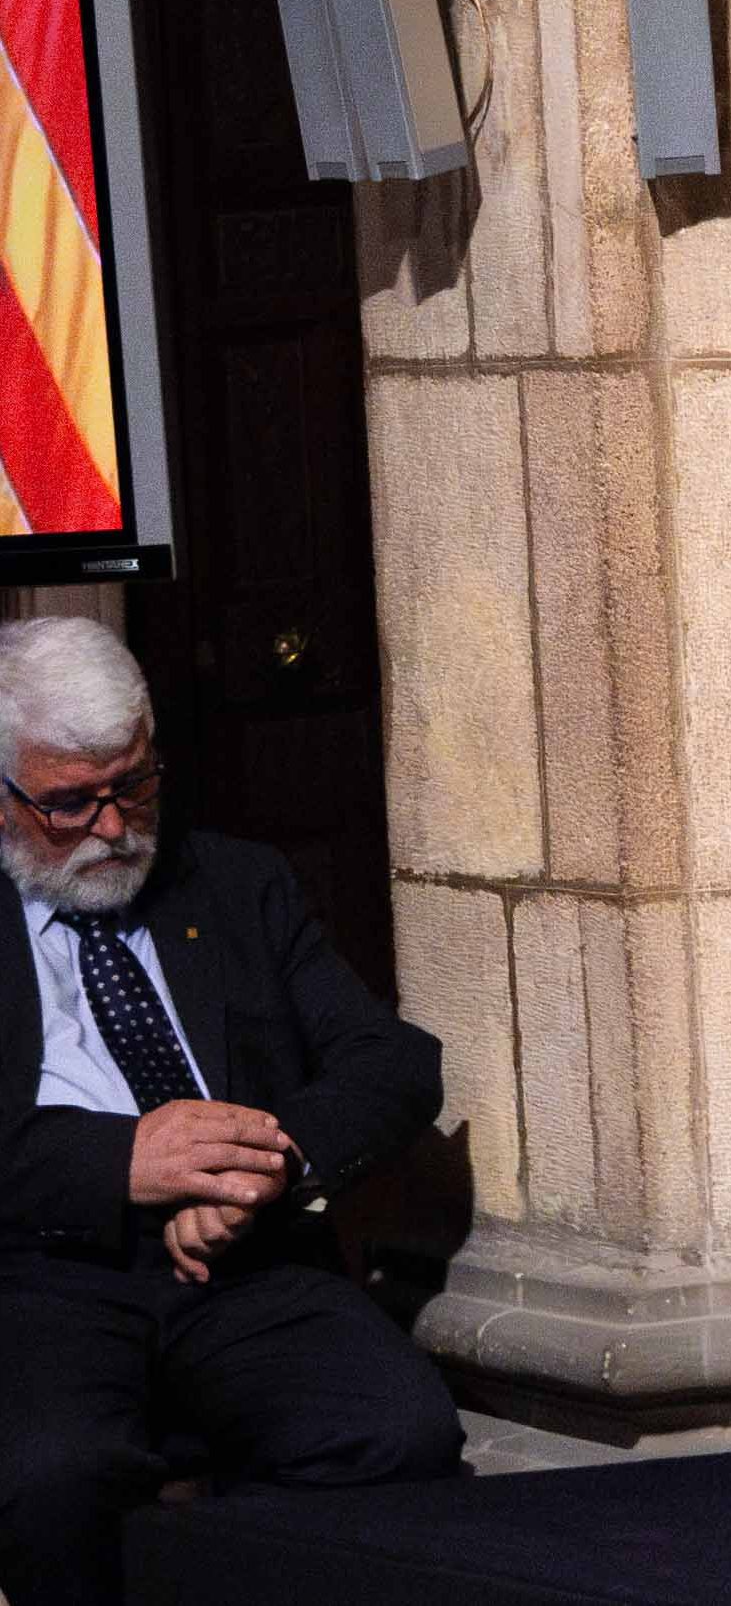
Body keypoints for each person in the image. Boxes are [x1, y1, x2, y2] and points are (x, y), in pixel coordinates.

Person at [0, 615, 462, 1606]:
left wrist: (263, 1161)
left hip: (240, 1259)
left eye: (133, 785)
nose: (113, 828)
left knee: (397, 1429)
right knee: (52, 1474)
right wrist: (121, 1159)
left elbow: (393, 1061)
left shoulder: (233, 882)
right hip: (38, 1276)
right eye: (70, 803)